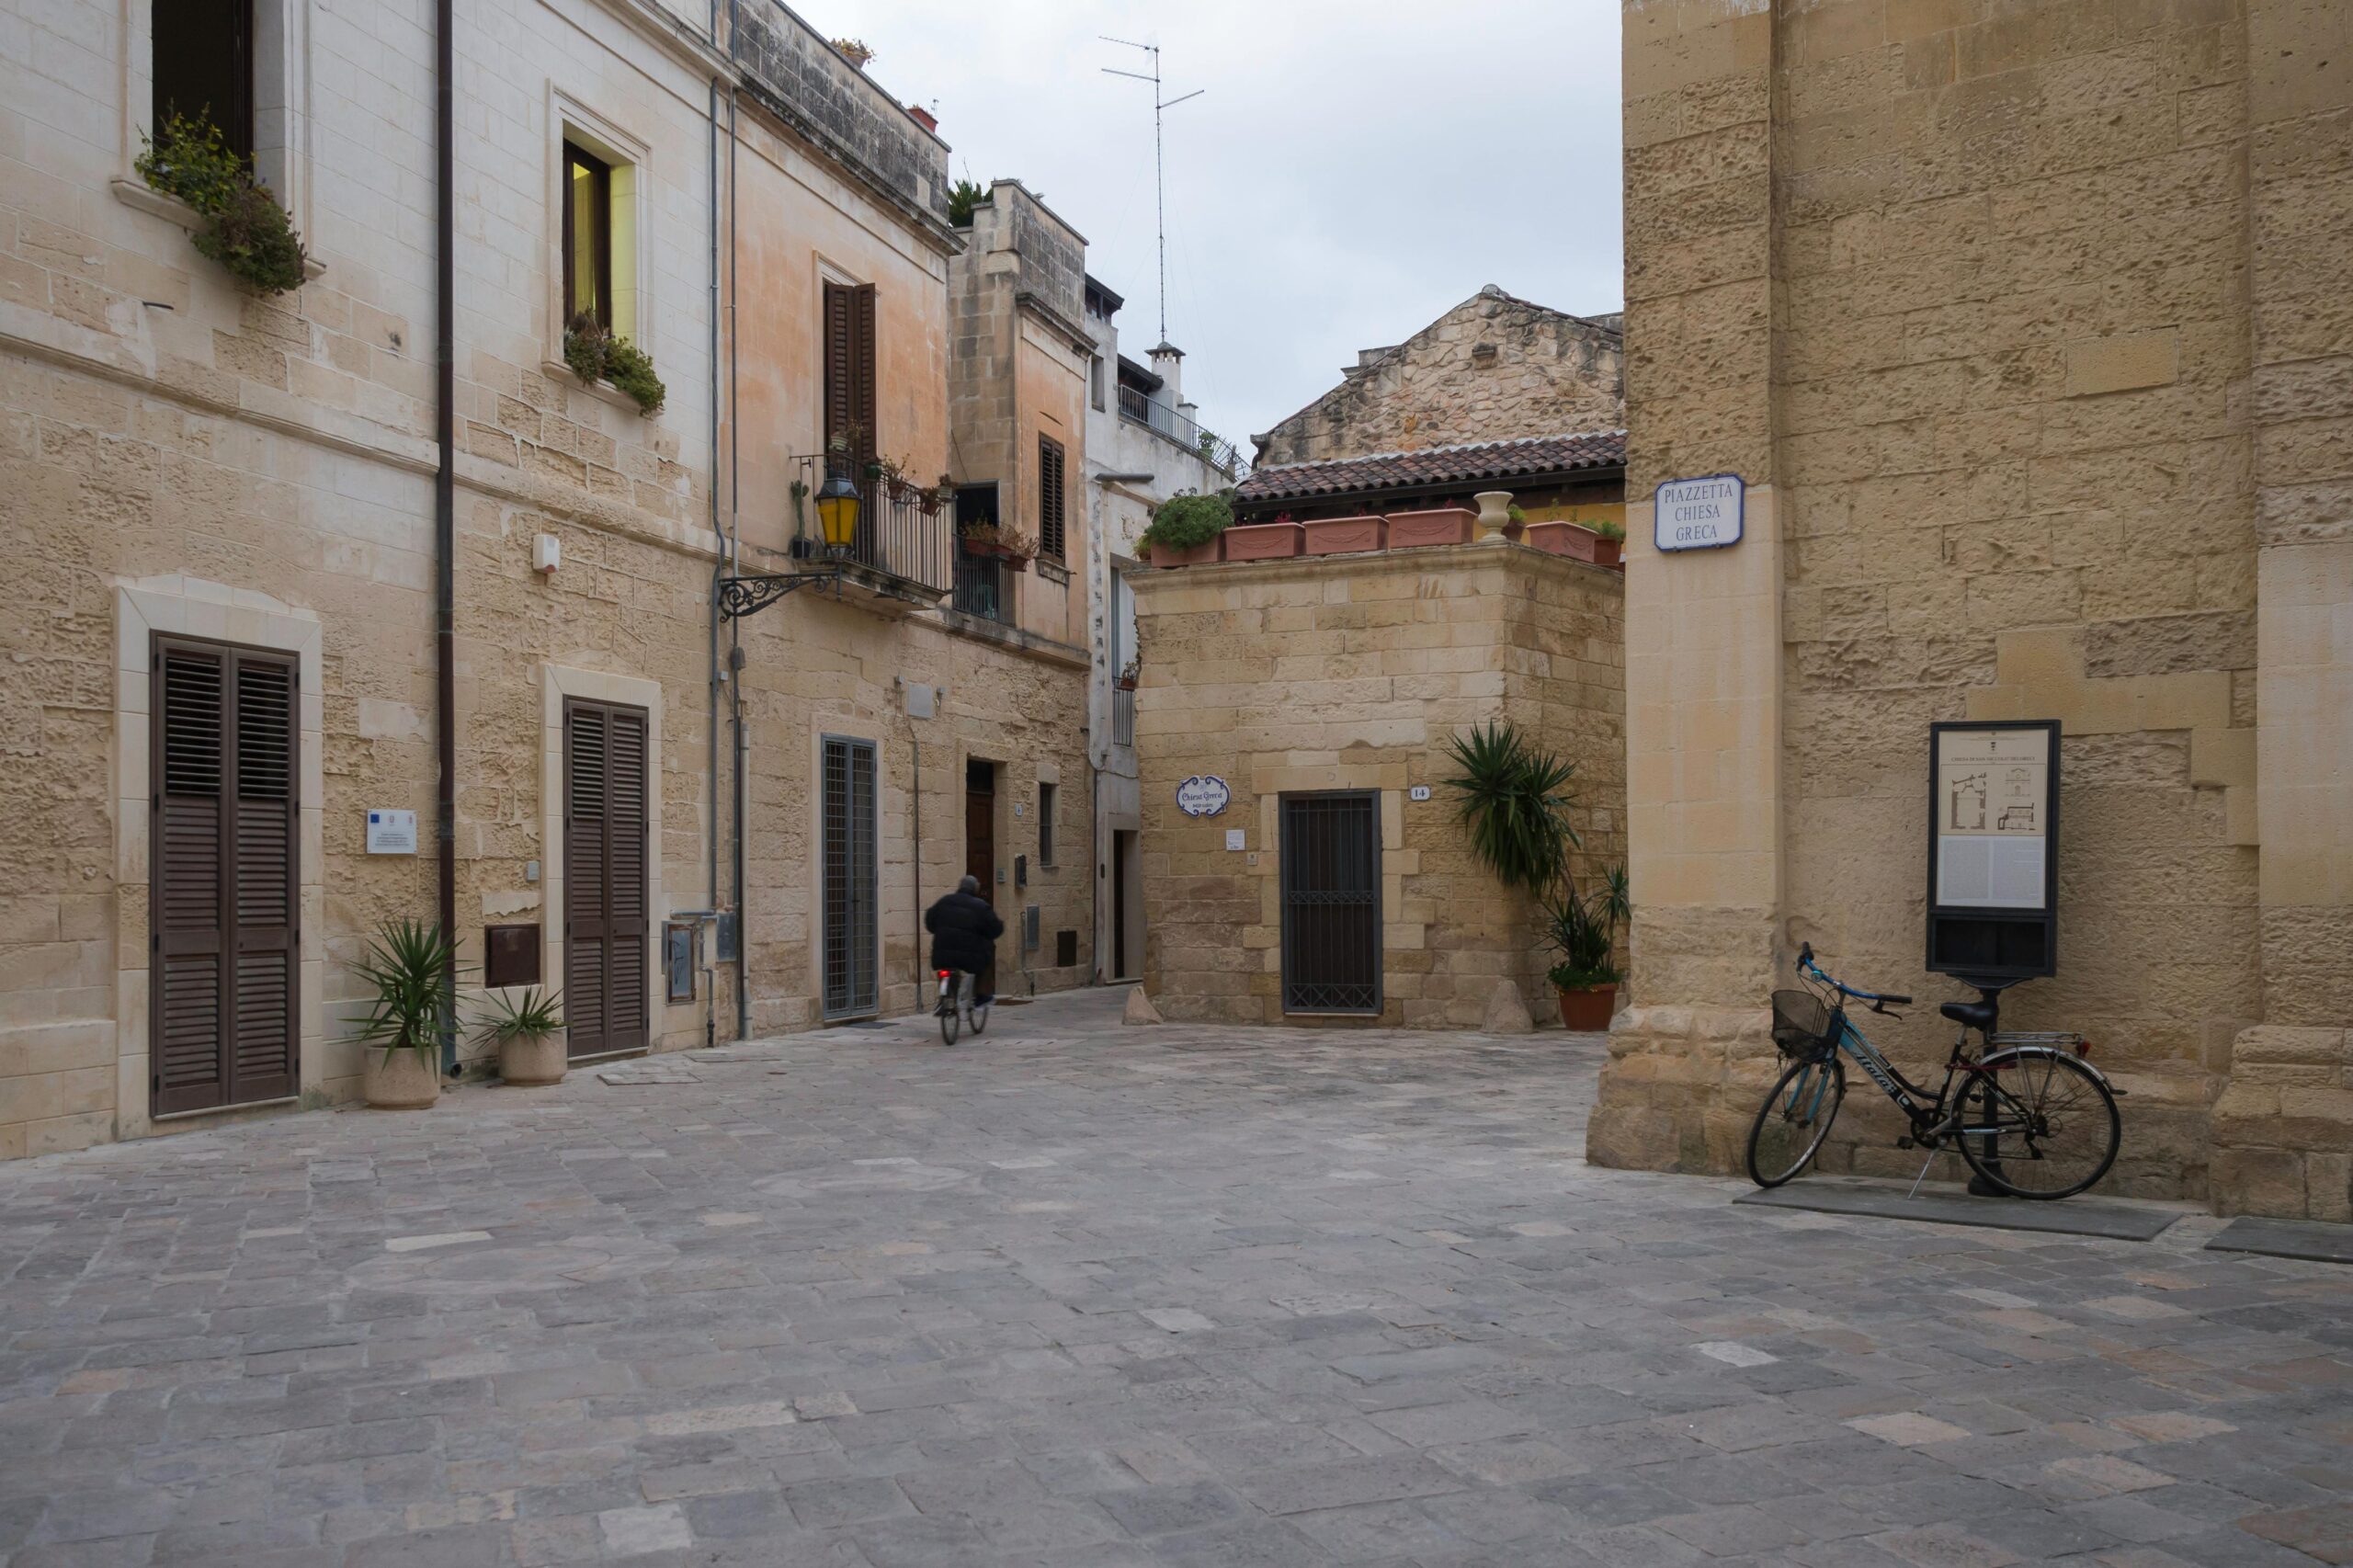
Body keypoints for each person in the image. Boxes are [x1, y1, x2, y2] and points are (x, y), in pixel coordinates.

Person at [925, 874, 1004, 1010]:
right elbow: (995, 929)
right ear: (975, 890)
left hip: (942, 954)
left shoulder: (944, 901)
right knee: (985, 962)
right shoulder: (981, 906)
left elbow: (929, 920)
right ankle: (981, 996)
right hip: (969, 958)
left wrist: (938, 930)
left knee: (945, 969)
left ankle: (944, 997)